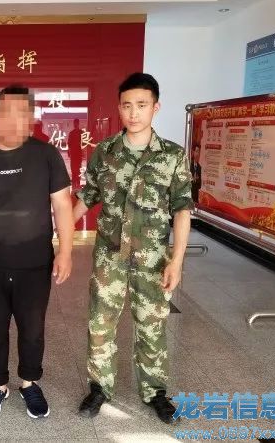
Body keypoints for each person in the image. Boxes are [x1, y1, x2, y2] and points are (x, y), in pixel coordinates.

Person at [73, 73, 193, 424]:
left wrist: (177, 261)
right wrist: (56, 229)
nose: (134, 113)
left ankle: (155, 392)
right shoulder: (105, 152)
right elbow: (87, 197)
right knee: (100, 324)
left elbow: (182, 210)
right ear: (119, 108)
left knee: (151, 325)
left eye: (141, 105)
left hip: (153, 259)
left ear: (156, 107)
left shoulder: (172, 156)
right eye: (127, 105)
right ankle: (100, 388)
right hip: (109, 256)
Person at [0, 85, 74, 419]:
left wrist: (65, 252)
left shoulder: (46, 156)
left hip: (35, 262)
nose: (14, 120)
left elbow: (62, 206)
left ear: (31, 119)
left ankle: (29, 383)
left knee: (32, 328)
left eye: (22, 113)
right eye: (6, 112)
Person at [67, 118, 84, 188]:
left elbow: (69, 144)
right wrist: (69, 152)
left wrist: (69, 152)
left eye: (76, 123)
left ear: (77, 124)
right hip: (75, 153)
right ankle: (75, 183)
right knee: (75, 169)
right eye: (75, 123)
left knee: (76, 168)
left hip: (76, 153)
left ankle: (76, 183)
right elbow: (69, 144)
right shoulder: (79, 132)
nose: (75, 124)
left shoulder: (78, 133)